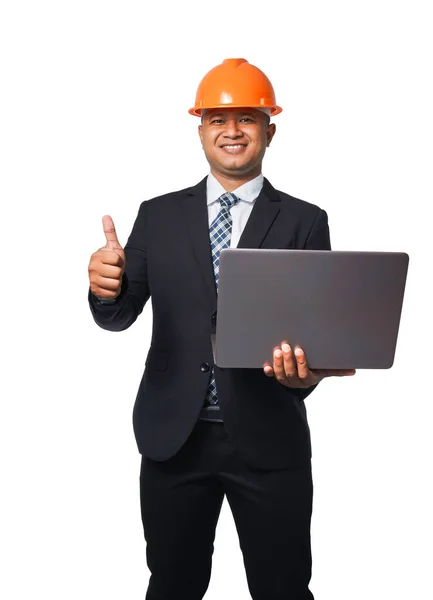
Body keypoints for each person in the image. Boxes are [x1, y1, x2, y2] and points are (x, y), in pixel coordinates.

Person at [88, 58, 356, 600]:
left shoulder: (306, 220)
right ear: (201, 130)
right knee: (173, 585)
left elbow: (312, 342)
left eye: (247, 118)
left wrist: (303, 374)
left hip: (268, 435)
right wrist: (104, 286)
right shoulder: (157, 215)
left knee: (283, 588)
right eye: (217, 118)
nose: (231, 131)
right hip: (173, 436)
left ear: (269, 130)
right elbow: (116, 317)